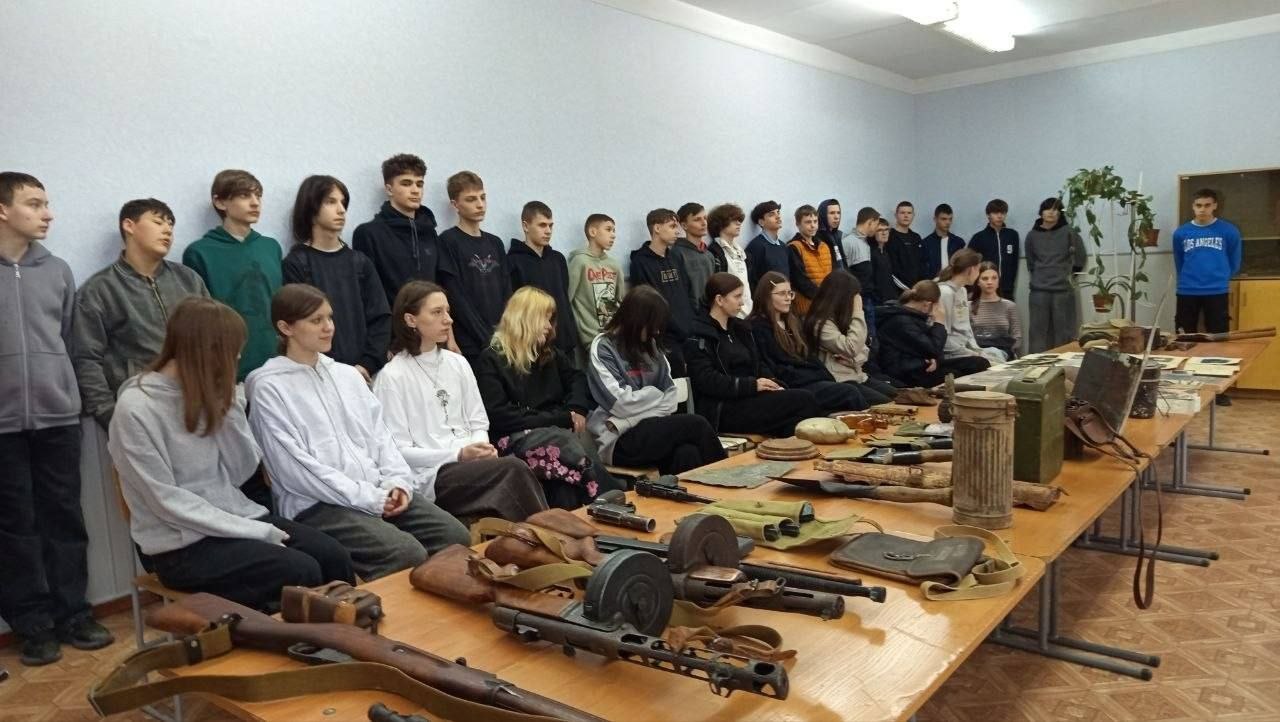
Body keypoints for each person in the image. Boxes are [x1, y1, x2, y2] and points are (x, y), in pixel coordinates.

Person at [109, 298, 354, 612]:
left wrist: (231, 411)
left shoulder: (204, 390)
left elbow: (240, 473)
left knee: (333, 555)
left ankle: (351, 635)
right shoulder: (136, 409)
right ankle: (295, 641)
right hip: (179, 545)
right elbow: (166, 502)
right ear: (205, 353)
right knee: (299, 570)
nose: (238, 358)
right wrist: (256, 531)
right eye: (232, 351)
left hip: (235, 518)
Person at [247, 284, 470, 582]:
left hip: (377, 490)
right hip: (317, 504)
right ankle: (381, 610)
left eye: (329, 317)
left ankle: (441, 605)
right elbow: (295, 469)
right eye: (316, 320)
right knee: (404, 553)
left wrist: (397, 483)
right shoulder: (268, 387)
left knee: (454, 536)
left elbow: (382, 438)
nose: (328, 327)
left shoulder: (346, 375)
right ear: (285, 327)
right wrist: (370, 498)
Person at [0, 172, 112, 666]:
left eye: (47, 203)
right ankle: (33, 626)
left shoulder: (58, 270)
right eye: (34, 203)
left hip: (58, 419)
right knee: (14, 528)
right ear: (3, 210)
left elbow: (69, 339)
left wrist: (73, 396)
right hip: (2, 426)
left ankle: (74, 615)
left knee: (64, 518)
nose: (48, 213)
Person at [372, 281, 550, 521]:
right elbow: (398, 451)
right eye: (437, 312)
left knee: (511, 473)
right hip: (432, 473)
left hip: (471, 462)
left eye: (447, 311)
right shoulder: (392, 376)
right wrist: (458, 455)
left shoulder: (458, 363)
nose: (448, 320)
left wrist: (479, 449)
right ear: (411, 320)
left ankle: (540, 535)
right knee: (512, 468)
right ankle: (549, 533)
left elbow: (479, 422)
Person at [475, 287, 623, 509]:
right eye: (544, 318)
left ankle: (587, 513)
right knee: (561, 440)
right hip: (512, 440)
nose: (548, 325)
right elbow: (500, 416)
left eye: (550, 318)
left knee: (563, 483)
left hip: (553, 435)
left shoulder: (549, 354)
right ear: (525, 318)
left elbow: (577, 379)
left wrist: (577, 409)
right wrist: (560, 418)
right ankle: (608, 493)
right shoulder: (491, 359)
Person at [73, 198, 208, 430]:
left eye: (171, 225)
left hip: (196, 403)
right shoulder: (100, 289)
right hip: (139, 409)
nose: (167, 230)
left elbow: (213, 338)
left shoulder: (189, 280)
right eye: (158, 222)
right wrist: (109, 414)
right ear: (129, 226)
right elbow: (86, 359)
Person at [586, 286, 725, 475]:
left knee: (687, 454)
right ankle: (728, 480)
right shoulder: (603, 347)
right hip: (617, 439)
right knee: (697, 424)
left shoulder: (651, 346)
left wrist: (635, 412)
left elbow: (671, 399)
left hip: (646, 427)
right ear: (637, 319)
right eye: (653, 324)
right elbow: (620, 404)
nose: (657, 331)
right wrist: (654, 394)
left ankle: (695, 493)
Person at [685, 273, 822, 438]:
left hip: (751, 397)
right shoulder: (699, 336)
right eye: (737, 297)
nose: (742, 302)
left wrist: (774, 383)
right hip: (724, 408)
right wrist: (752, 385)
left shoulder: (740, 329)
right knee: (804, 400)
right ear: (719, 300)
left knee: (796, 419)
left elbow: (758, 364)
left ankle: (788, 449)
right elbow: (707, 380)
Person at [282, 175, 390, 381]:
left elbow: (380, 318)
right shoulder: (296, 263)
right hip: (317, 373)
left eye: (343, 203)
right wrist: (333, 369)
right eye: (330, 202)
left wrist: (367, 364)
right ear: (311, 208)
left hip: (363, 374)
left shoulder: (360, 262)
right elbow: (300, 325)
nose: (341, 210)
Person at [184, 169, 282, 381]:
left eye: (258, 196)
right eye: (245, 195)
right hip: (228, 364)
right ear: (220, 202)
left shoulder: (271, 247)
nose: (255, 203)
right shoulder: (200, 252)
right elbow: (199, 318)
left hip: (274, 361)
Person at [749, 272, 870, 412]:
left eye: (790, 293)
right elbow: (775, 365)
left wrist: (822, 375)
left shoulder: (792, 322)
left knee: (868, 393)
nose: (788, 298)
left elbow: (809, 357)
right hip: (795, 385)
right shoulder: (758, 327)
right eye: (782, 294)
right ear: (766, 296)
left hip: (814, 379)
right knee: (849, 392)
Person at [1173, 188, 1242, 406]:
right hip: (1187, 290)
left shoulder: (1228, 231)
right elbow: (1179, 261)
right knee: (1184, 338)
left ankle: (1217, 390)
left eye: (1207, 205)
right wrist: (1189, 279)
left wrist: (1220, 277)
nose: (1202, 209)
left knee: (1218, 340)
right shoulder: (1181, 233)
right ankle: (1184, 385)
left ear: (1215, 206)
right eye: (1198, 205)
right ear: (1193, 207)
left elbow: (1234, 260)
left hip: (1216, 291)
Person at [436, 171, 511, 361]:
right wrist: (485, 338)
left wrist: (505, 332)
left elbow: (507, 290)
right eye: (471, 199)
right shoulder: (448, 241)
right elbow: (455, 295)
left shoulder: (495, 243)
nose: (480, 204)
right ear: (455, 204)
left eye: (482, 197)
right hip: (468, 341)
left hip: (503, 339)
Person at [352, 153, 439, 307]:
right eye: (406, 183)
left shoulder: (429, 232)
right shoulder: (369, 233)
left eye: (419, 184)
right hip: (391, 319)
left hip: (431, 318)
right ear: (389, 189)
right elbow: (368, 290)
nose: (415, 190)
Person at [802, 271, 897, 406]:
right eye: (853, 296)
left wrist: (853, 360)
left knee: (897, 395)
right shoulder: (819, 323)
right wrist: (858, 312)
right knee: (885, 404)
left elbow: (864, 350)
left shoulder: (844, 317)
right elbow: (851, 348)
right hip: (840, 379)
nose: (856, 300)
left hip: (858, 375)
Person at [876, 281, 989, 386]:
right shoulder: (900, 321)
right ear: (927, 304)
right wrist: (939, 322)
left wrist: (934, 359)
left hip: (921, 364)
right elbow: (933, 348)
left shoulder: (914, 316)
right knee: (953, 375)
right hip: (905, 371)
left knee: (978, 363)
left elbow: (931, 349)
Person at [507, 201, 579, 359]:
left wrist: (571, 332)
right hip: (534, 343)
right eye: (542, 225)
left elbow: (564, 296)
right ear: (526, 226)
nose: (548, 231)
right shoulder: (513, 262)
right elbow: (515, 307)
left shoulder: (558, 259)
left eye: (550, 226)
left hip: (565, 341)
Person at [629, 208, 695, 375]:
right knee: (676, 380)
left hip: (688, 331)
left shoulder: (676, 257)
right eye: (672, 226)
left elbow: (687, 290)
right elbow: (646, 302)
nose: (677, 231)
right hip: (664, 336)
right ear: (657, 228)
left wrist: (691, 321)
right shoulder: (640, 262)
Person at [1024, 197, 1086, 352]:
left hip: (1063, 290)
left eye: (1055, 209)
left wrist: (1068, 276)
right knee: (1038, 332)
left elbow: (1080, 257)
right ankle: (1036, 363)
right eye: (1047, 209)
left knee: (1065, 332)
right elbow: (1031, 262)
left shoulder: (1069, 232)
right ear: (1041, 212)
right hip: (1039, 290)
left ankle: (1064, 363)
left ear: (1060, 213)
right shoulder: (1031, 235)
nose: (1051, 212)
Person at [568, 213, 624, 355]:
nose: (613, 235)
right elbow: (568, 299)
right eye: (608, 229)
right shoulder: (579, 262)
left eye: (614, 231)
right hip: (589, 337)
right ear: (593, 232)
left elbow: (621, 300)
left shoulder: (614, 265)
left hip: (613, 335)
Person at [937, 249, 1002, 365]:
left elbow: (966, 328)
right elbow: (943, 337)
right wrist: (972, 354)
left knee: (998, 356)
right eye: (978, 270)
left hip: (967, 350)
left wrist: (978, 351)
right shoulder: (945, 292)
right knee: (991, 365)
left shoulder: (962, 290)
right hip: (952, 353)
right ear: (972, 269)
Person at [706, 203, 752, 318]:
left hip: (747, 309)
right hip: (729, 312)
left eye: (739, 220)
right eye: (733, 220)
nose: (739, 223)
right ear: (720, 223)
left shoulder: (741, 251)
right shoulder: (715, 251)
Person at [787, 204, 833, 315]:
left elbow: (831, 274)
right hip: (807, 307)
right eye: (808, 222)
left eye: (815, 221)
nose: (813, 225)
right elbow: (800, 280)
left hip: (827, 303)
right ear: (798, 224)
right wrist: (821, 296)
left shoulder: (824, 246)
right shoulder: (794, 247)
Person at [968, 199, 1019, 299]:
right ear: (988, 215)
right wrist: (972, 288)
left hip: (1006, 289)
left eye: (1003, 213)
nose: (1000, 216)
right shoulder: (978, 237)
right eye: (995, 213)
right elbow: (970, 264)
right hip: (985, 289)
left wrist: (1010, 284)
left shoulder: (1012, 235)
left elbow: (1014, 263)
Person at [971, 262, 1022, 359]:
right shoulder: (969, 306)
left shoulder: (1009, 306)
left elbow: (1017, 336)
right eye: (985, 278)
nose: (990, 282)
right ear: (978, 282)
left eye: (994, 278)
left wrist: (1010, 352)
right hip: (979, 353)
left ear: (998, 281)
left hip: (1004, 352)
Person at [670, 202, 716, 309]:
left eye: (705, 218)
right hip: (690, 312)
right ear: (684, 225)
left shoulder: (709, 254)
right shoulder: (676, 253)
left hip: (710, 311)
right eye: (697, 219)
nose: (704, 223)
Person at [745, 200, 789, 290]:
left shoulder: (783, 246)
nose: (778, 216)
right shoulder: (756, 246)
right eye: (771, 214)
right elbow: (752, 280)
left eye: (778, 212)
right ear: (761, 222)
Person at [921, 203, 965, 281]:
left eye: (950, 219)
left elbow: (962, 267)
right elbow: (922, 269)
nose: (948, 222)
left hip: (954, 283)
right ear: (935, 219)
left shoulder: (958, 243)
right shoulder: (926, 243)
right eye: (944, 219)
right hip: (933, 284)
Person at [886, 201, 924, 290]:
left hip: (917, 288)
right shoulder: (889, 236)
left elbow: (921, 263)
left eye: (909, 213)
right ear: (896, 215)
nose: (906, 216)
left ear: (913, 215)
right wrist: (906, 288)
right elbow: (891, 267)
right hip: (898, 289)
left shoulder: (916, 237)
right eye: (902, 213)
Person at [867, 218, 898, 304]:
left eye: (886, 229)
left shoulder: (886, 252)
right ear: (873, 233)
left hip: (890, 299)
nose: (884, 233)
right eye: (880, 230)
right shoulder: (870, 252)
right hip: (877, 302)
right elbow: (870, 280)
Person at [816, 199, 847, 269]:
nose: (836, 217)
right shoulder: (816, 238)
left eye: (838, 213)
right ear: (823, 215)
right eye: (832, 213)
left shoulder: (838, 235)